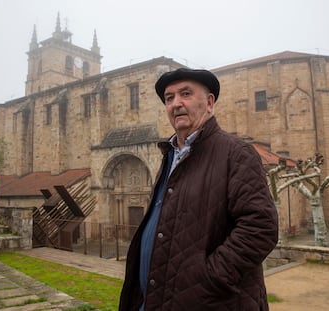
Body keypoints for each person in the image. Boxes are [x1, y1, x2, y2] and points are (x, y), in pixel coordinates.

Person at [119, 68, 278, 311]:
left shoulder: (236, 154)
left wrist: (206, 279)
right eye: (169, 98)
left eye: (186, 94)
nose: (176, 104)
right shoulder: (170, 156)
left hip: (209, 303)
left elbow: (261, 227)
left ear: (209, 102)